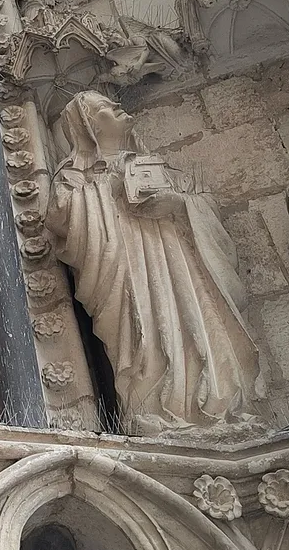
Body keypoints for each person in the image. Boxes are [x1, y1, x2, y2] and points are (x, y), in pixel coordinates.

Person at [48, 90, 260, 431]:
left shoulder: (160, 167)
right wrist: (108, 189)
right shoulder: (75, 176)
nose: (118, 107)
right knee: (147, 332)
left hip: (182, 267)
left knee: (197, 326)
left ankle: (216, 408)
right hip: (129, 270)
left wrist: (178, 204)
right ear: (88, 126)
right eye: (105, 107)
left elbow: (204, 206)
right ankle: (156, 411)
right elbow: (62, 220)